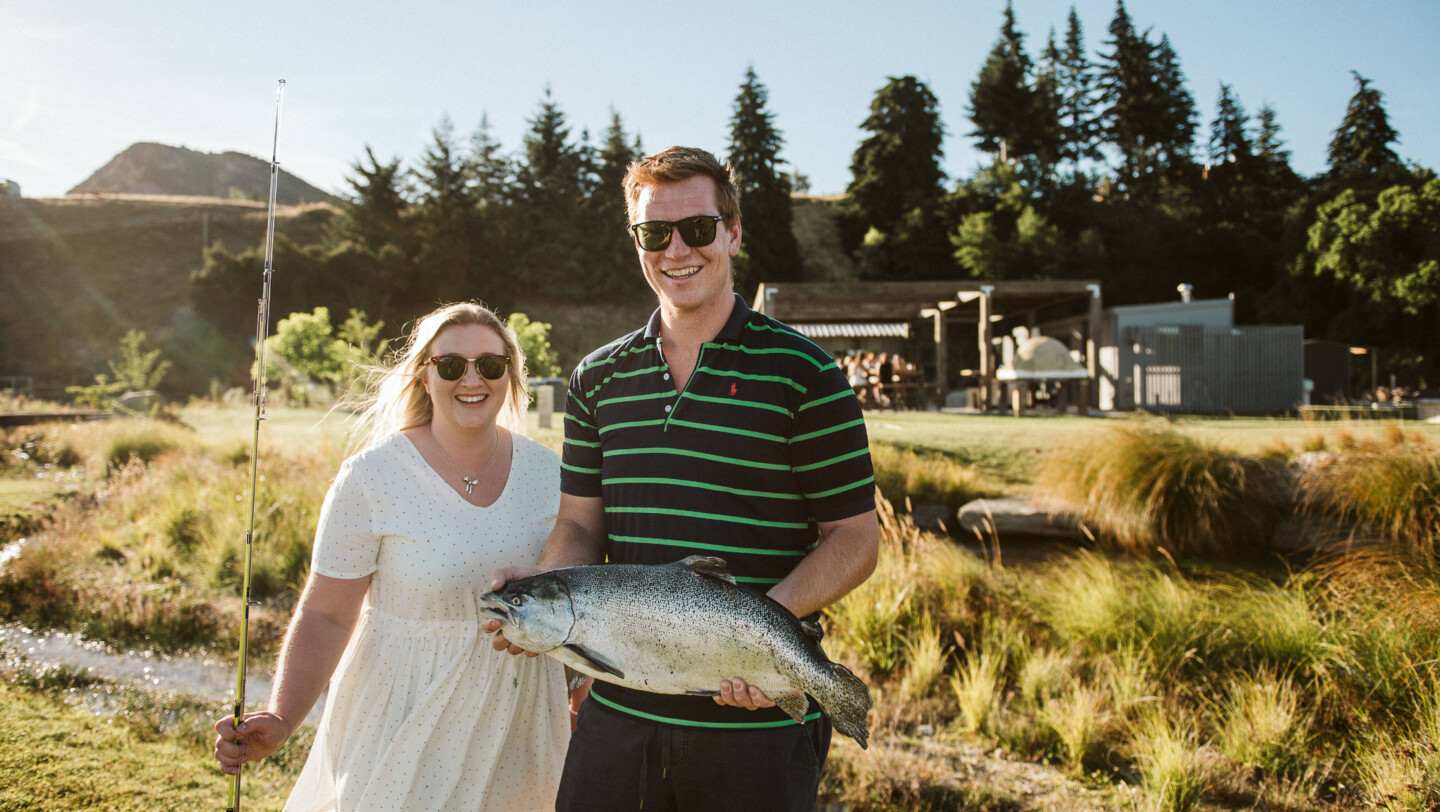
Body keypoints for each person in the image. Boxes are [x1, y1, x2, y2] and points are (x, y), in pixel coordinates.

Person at [485, 146, 879, 812]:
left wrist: (764, 633)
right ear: (635, 240)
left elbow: (854, 539)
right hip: (616, 722)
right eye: (653, 233)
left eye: (696, 229)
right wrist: (541, 607)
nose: (677, 250)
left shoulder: (807, 373)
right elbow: (580, 524)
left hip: (756, 727)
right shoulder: (597, 379)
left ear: (732, 233)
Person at [213, 302, 570, 812]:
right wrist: (282, 718)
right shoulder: (372, 477)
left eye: (490, 365)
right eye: (451, 365)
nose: (472, 378)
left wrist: (580, 699)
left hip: (520, 724)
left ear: (510, 376)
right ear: (425, 376)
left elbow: (569, 597)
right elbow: (325, 613)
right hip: (402, 716)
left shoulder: (548, 473)